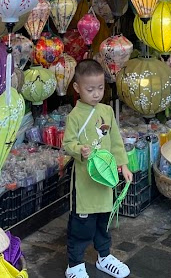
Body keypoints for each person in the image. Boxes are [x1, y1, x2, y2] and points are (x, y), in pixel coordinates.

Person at [63, 60, 133, 278]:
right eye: (90, 89)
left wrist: (123, 164)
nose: (96, 94)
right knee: (81, 225)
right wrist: (78, 150)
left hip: (105, 178)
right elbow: (67, 144)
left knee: (105, 218)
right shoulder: (74, 116)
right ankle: (74, 264)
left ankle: (104, 256)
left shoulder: (107, 111)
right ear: (77, 88)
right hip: (84, 179)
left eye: (100, 88)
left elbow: (115, 141)